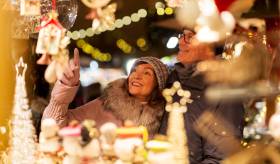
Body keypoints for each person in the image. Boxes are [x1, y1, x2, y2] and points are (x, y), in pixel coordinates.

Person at [159, 29, 244, 163]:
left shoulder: (224, 88)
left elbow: (220, 157)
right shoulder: (171, 79)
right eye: (182, 35)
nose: (181, 41)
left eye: (190, 37)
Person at [42, 48, 169, 136]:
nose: (136, 76)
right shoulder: (106, 105)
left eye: (147, 73)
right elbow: (53, 126)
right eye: (134, 71)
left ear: (159, 84)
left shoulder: (166, 117)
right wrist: (62, 95)